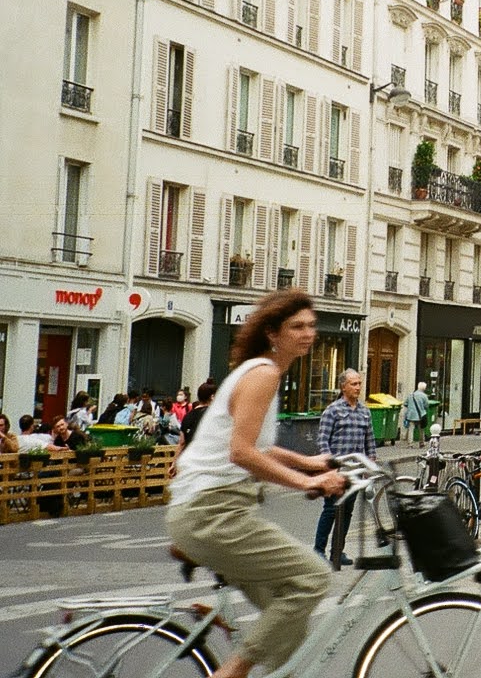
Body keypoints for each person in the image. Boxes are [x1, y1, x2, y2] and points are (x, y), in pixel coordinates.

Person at [165, 289, 345, 678]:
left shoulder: (261, 372)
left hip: (207, 509)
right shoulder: (262, 374)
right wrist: (308, 481)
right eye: (296, 326)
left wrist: (311, 462)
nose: (308, 333)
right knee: (313, 578)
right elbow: (242, 454)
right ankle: (232, 672)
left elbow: (260, 447)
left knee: (286, 633)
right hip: (214, 511)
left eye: (311, 325)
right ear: (272, 334)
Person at [313, 369, 375, 565]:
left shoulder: (365, 412)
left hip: (355, 472)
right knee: (331, 510)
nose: (358, 388)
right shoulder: (333, 411)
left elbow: (370, 442)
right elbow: (323, 441)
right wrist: (330, 467)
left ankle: (337, 551)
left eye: (359, 384)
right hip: (337, 471)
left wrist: (370, 466)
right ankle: (318, 550)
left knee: (347, 512)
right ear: (343, 386)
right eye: (354, 384)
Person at [169, 381, 217, 479]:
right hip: (208, 464)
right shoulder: (213, 415)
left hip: (190, 463)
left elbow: (181, 443)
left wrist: (174, 463)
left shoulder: (188, 416)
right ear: (212, 397)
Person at [403, 381, 431, 446]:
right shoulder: (424, 396)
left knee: (411, 428)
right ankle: (421, 442)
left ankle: (410, 443)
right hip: (420, 414)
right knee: (421, 429)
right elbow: (426, 405)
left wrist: (410, 407)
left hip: (411, 414)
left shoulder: (411, 395)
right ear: (424, 388)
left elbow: (405, 403)